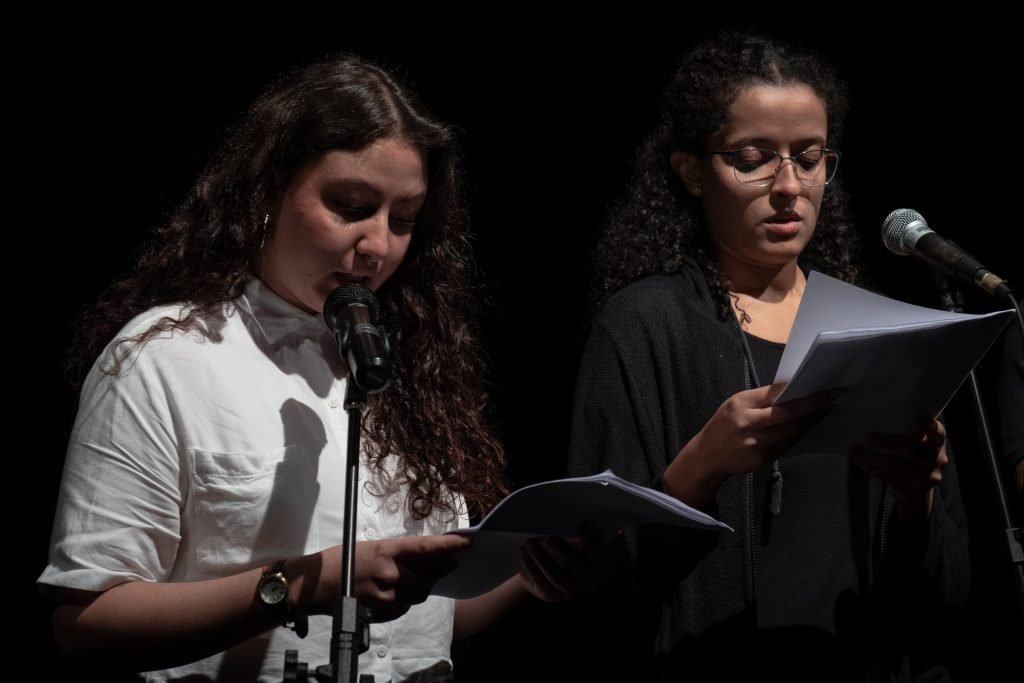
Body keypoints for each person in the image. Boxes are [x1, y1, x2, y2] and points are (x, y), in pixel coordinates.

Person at [38, 54, 600, 682]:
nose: (379, 245)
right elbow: (85, 624)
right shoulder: (163, 361)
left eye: (404, 219)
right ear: (271, 188)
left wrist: (535, 571)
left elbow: (439, 618)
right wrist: (302, 586)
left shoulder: (410, 365)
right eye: (351, 205)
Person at [563, 30, 971, 682]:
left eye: (809, 158)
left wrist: (916, 499)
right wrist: (702, 464)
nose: (789, 185)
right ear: (691, 170)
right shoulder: (645, 326)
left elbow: (947, 600)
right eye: (753, 157)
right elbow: (590, 584)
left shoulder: (873, 332)